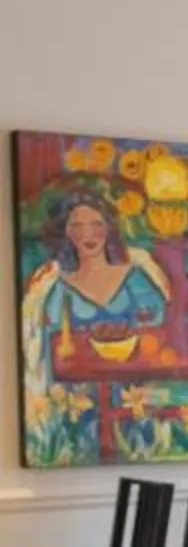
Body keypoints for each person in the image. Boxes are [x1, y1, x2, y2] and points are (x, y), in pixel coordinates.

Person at [19, 186, 171, 457]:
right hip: (78, 395)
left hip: (134, 388)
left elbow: (157, 319)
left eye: (96, 224)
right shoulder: (59, 285)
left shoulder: (133, 275)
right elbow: (51, 339)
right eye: (77, 226)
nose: (88, 235)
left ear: (109, 228)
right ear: (65, 232)